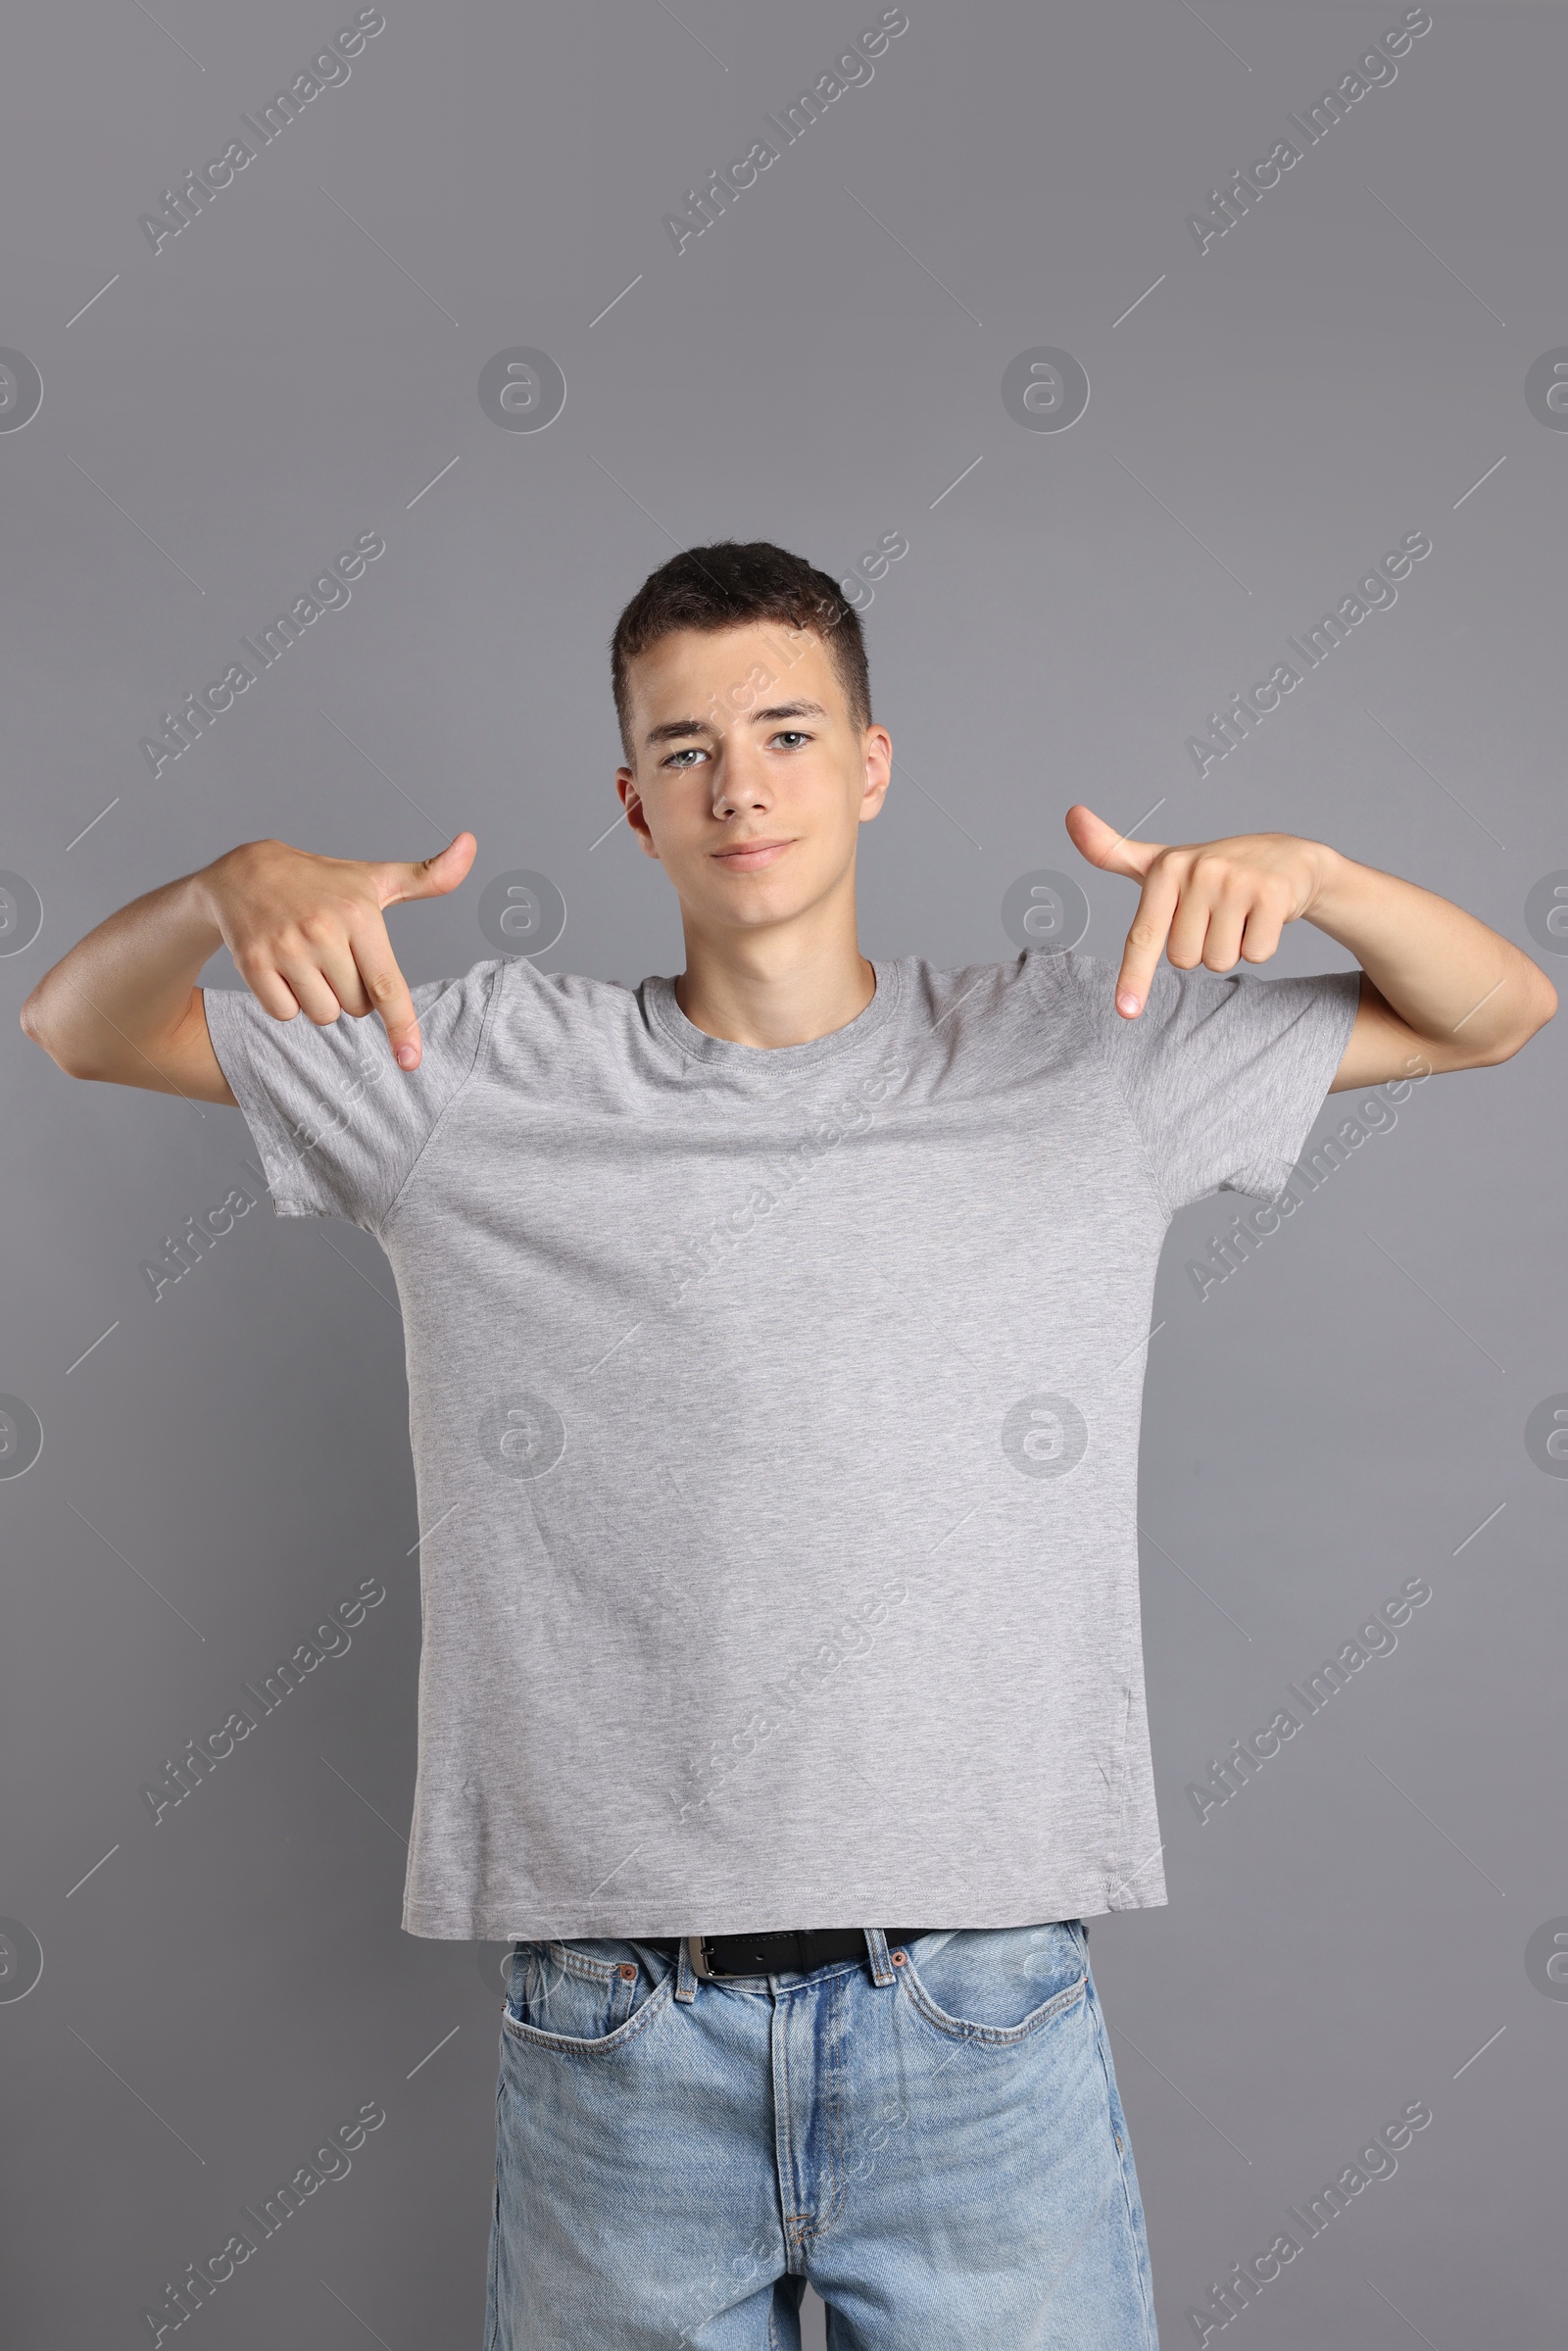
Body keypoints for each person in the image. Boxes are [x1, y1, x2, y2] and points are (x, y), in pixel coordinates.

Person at [23, 541, 1553, 2349]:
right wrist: (225, 889)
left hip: (980, 2022)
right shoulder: (478, 1075)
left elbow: (1498, 1010)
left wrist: (1319, 874)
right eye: (683, 749)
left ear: (872, 763)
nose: (738, 786)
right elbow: (75, 1025)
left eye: (784, 733)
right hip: (618, 2038)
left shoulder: (1086, 1055)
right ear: (629, 801)